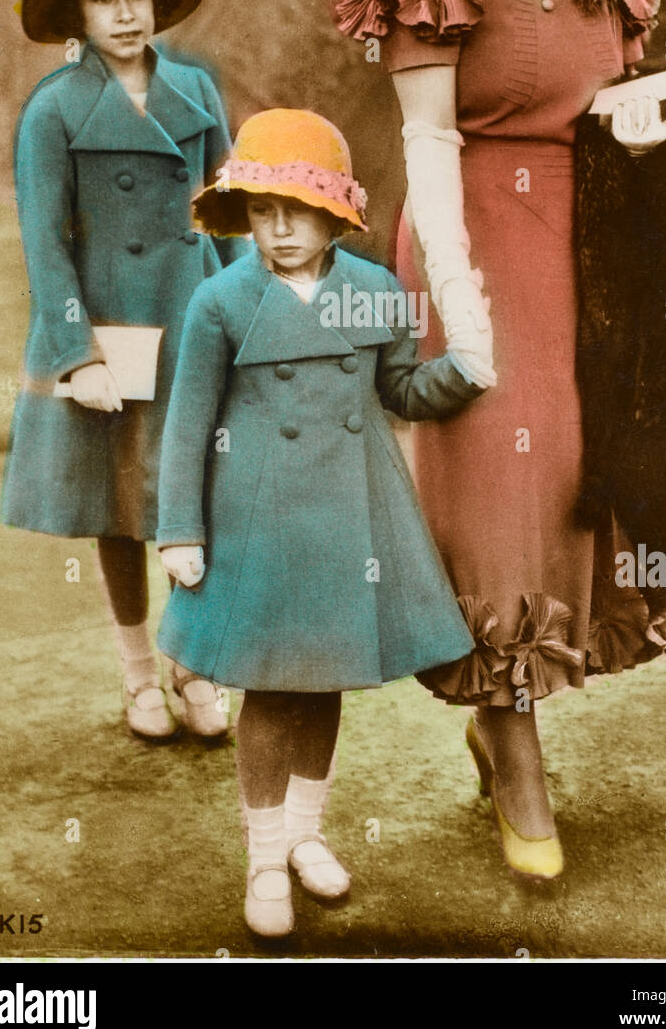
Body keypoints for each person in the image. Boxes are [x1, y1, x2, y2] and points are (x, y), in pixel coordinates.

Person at [335, 0, 666, 880]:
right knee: (500, 503)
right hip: (476, 239)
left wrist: (653, 132)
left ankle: (501, 721)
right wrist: (457, 307)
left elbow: (614, 105)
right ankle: (517, 759)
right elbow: (425, 147)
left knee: (579, 481)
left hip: (591, 251)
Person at [155, 108, 483, 937]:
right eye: (263, 210)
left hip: (351, 513)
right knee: (270, 691)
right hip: (258, 522)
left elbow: (400, 393)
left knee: (324, 681)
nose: (281, 228)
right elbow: (188, 425)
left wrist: (463, 372)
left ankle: (304, 836)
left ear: (336, 211)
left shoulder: (374, 290)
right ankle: (264, 857)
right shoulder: (221, 301)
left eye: (299, 210)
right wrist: (180, 530)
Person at [0, 0, 241, 741]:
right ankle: (140, 674)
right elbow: (44, 244)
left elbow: (229, 212)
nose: (126, 12)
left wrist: (246, 304)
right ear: (77, 16)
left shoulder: (198, 91)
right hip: (111, 335)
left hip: (192, 321)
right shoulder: (55, 109)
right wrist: (76, 354)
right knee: (119, 509)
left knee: (193, 497)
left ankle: (194, 667)